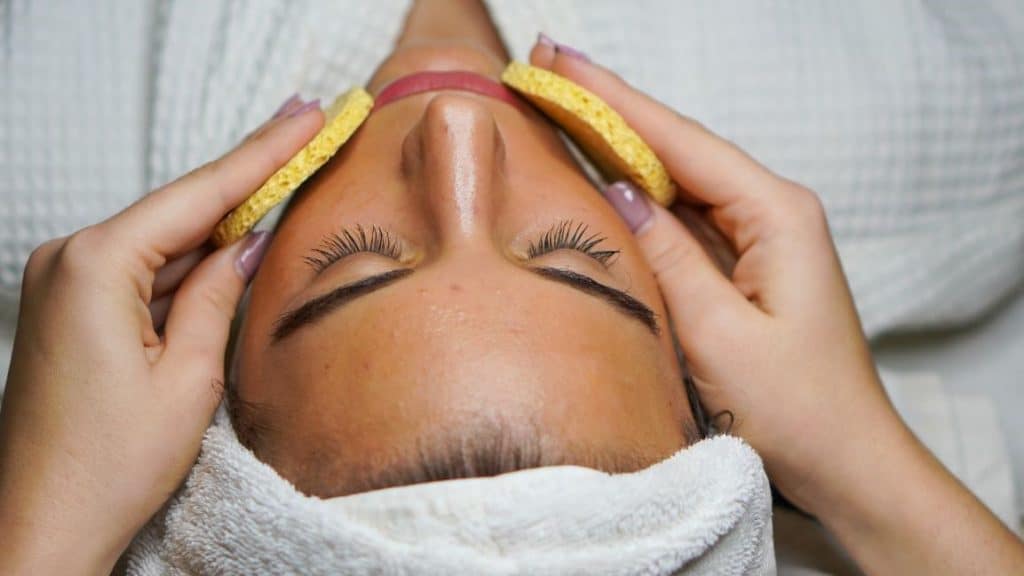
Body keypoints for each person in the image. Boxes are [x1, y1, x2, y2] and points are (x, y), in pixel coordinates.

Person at [1, 1, 1023, 573]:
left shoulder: (43, 133)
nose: (458, 137)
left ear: (209, 346)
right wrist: (861, 459)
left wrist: (46, 527)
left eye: (352, 259)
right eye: (574, 251)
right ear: (692, 333)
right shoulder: (921, 141)